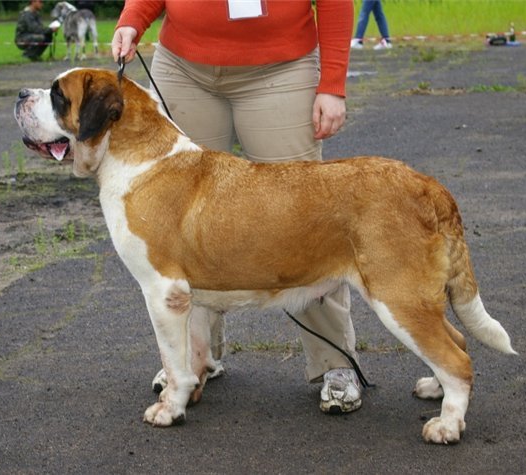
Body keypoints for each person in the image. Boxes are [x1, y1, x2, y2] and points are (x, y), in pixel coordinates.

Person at [112, 0, 363, 414]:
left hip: (280, 70)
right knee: (183, 230)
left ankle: (335, 363)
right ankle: (192, 362)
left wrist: (332, 84)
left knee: (306, 221)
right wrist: (132, 20)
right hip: (184, 69)